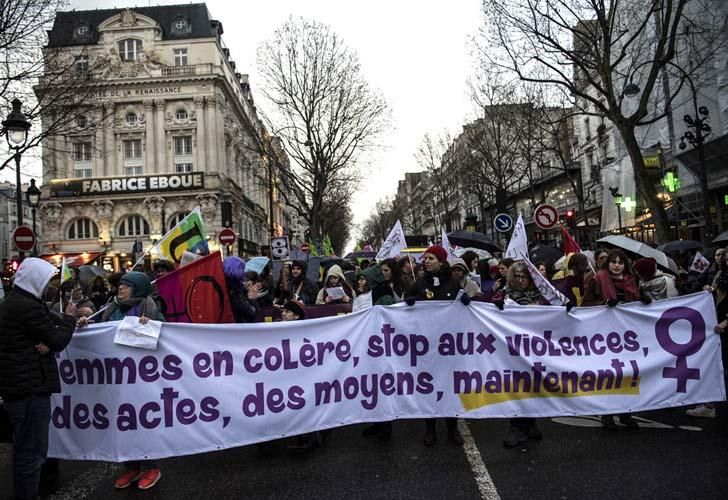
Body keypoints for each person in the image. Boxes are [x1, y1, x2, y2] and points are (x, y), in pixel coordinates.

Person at [0, 258, 76, 500]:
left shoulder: (16, 302)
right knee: (31, 454)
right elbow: (58, 340)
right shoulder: (26, 306)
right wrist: (70, 319)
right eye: (45, 281)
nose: (48, 286)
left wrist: (64, 322)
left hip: (19, 387)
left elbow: (49, 323)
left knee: (25, 451)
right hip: (29, 389)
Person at [80, 272, 165, 490]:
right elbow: (97, 328)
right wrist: (85, 323)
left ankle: (150, 466)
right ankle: (131, 466)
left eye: (127, 286)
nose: (121, 289)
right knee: (121, 422)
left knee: (142, 421)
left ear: (138, 289)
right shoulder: (110, 307)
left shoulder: (151, 307)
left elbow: (166, 335)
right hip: (115, 377)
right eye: (121, 285)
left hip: (140, 379)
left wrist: (153, 325)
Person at [407, 245, 463, 446]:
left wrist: (467, 301)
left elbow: (465, 309)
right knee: (428, 388)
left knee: (449, 388)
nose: (427, 261)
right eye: (425, 258)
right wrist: (410, 302)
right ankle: (430, 428)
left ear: (441, 261)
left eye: (431, 258)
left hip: (449, 347)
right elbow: (405, 306)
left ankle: (452, 429)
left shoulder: (454, 282)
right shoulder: (420, 283)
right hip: (427, 346)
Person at [581, 249, 644, 430]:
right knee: (608, 376)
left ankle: (626, 413)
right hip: (605, 337)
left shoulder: (632, 281)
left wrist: (643, 301)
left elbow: (636, 305)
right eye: (613, 262)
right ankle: (607, 415)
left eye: (620, 262)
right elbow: (585, 305)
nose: (617, 265)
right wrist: (603, 305)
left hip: (627, 337)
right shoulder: (597, 280)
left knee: (627, 375)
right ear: (607, 263)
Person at [498, 261, 548, 447]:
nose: (520, 280)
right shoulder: (505, 295)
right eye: (517, 276)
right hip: (514, 350)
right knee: (517, 387)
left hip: (536, 349)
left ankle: (531, 423)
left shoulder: (542, 296)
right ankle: (517, 427)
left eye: (524, 276)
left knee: (533, 386)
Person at [224, 256, 260, 323]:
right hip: (237, 328)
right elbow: (250, 313)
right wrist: (252, 298)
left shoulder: (220, 284)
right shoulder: (236, 289)